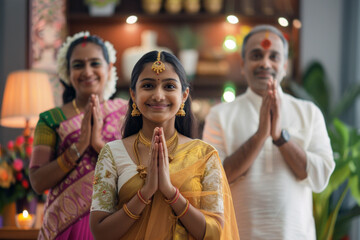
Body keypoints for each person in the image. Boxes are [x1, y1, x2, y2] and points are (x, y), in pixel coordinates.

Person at [203, 25, 335, 239]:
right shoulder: (220, 114)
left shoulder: (308, 112)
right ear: (243, 65)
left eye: (273, 56)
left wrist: (280, 137)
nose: (265, 63)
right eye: (257, 55)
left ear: (284, 65)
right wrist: (260, 136)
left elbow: (321, 178)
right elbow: (214, 181)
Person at [89, 51, 239, 240]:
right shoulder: (112, 153)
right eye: (148, 86)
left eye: (169, 86)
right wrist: (146, 192)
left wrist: (169, 192)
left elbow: (215, 232)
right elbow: (100, 232)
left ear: (184, 95)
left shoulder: (204, 155)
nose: (158, 95)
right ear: (133, 94)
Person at [29, 31, 128, 240]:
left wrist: (99, 145)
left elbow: (140, 172)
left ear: (109, 69)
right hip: (65, 226)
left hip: (115, 222)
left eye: (95, 63)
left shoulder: (128, 114)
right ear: (67, 72)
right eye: (78, 65)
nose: (87, 71)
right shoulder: (51, 119)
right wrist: (79, 147)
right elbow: (37, 182)